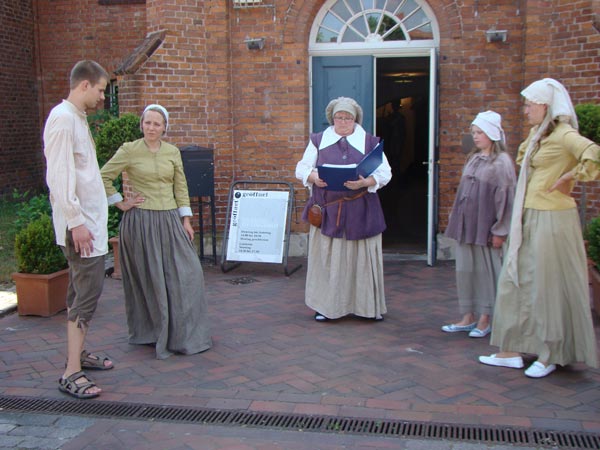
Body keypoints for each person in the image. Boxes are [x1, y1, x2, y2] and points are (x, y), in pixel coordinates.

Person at [479, 78, 600, 378]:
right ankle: (513, 349)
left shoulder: (564, 134)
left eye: (530, 105)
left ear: (545, 106)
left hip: (553, 219)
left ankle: (551, 353)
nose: (525, 110)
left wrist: (570, 176)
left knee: (548, 284)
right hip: (529, 215)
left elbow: (593, 153)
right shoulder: (538, 135)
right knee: (519, 280)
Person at [100, 104, 212, 360]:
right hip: (142, 222)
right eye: (147, 122)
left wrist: (186, 220)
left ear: (164, 128)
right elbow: (103, 176)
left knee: (189, 274)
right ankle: (152, 332)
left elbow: (180, 186)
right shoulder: (129, 150)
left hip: (170, 219)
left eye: (156, 124)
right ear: (142, 124)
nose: (151, 128)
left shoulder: (172, 152)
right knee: (151, 280)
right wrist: (121, 202)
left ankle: (183, 335)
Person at [44, 60, 114, 400]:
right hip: (81, 229)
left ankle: (78, 354)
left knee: (81, 295)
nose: (102, 97)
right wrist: (76, 223)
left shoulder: (77, 118)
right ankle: (71, 372)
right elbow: (58, 177)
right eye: (100, 90)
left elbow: (83, 174)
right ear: (84, 85)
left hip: (89, 226)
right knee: (85, 297)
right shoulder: (62, 119)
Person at [295, 97, 392, 322]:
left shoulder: (369, 142)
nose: (343, 121)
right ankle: (326, 307)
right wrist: (313, 177)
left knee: (361, 261)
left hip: (361, 210)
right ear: (332, 119)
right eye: (339, 117)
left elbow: (385, 173)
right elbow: (301, 168)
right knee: (329, 261)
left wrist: (365, 182)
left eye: (348, 118)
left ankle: (366, 308)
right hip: (328, 211)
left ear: (355, 119)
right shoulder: (318, 140)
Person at [442, 111, 516, 338]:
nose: (475, 136)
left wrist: (500, 230)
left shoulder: (502, 162)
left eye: (480, 132)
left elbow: (506, 199)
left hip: (485, 228)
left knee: (486, 273)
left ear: (492, 134)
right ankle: (468, 316)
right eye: (474, 132)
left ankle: (485, 319)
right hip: (467, 226)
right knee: (465, 271)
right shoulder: (473, 158)